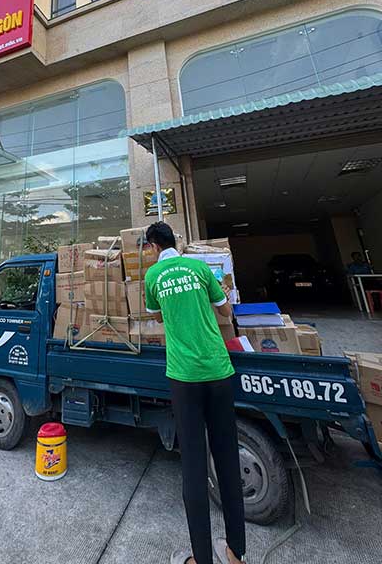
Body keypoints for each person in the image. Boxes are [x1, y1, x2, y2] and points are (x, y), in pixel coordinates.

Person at [144, 221, 245, 564]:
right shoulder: (200, 268)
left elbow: (157, 317)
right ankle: (235, 553)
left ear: (153, 247)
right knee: (227, 460)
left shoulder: (153, 276)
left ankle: (201, 558)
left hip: (184, 377)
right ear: (175, 242)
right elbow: (226, 310)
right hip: (218, 370)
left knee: (194, 466)